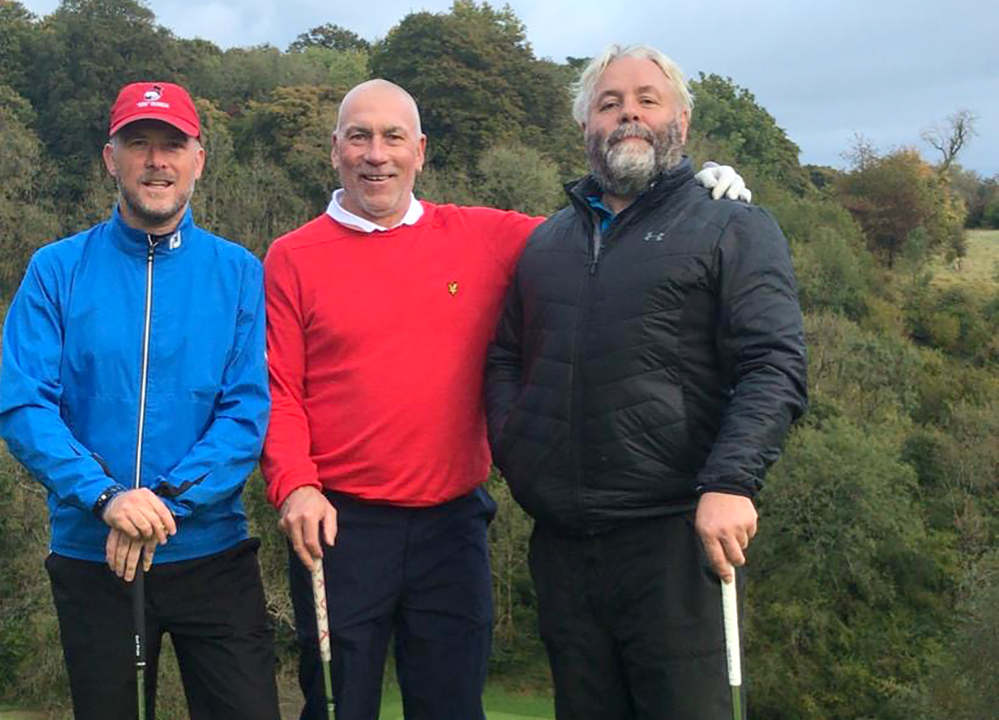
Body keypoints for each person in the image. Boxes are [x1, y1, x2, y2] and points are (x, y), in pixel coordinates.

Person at [262, 78, 748, 720]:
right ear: (335, 151)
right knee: (336, 705)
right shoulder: (292, 257)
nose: (376, 154)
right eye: (359, 137)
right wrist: (295, 484)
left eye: (393, 137)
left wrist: (692, 194)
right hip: (341, 526)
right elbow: (279, 391)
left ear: (420, 151)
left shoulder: (483, 236)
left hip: (453, 524)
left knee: (453, 705)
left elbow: (605, 239)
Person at [485, 44, 808, 720]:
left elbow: (773, 364)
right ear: (586, 128)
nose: (628, 112)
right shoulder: (546, 244)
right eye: (609, 103)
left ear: (681, 123)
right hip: (565, 550)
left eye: (646, 99)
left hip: (677, 544)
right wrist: (517, 450)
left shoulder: (734, 227)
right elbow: (506, 356)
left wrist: (732, 480)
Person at [0, 81, 279, 720]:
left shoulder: (239, 273)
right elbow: (24, 406)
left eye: (172, 146)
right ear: (110, 158)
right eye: (139, 144)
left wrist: (164, 503)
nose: (157, 161)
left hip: (212, 553)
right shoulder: (55, 269)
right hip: (93, 552)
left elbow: (246, 411)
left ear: (198, 160)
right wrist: (108, 498)